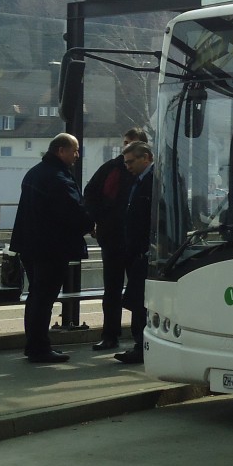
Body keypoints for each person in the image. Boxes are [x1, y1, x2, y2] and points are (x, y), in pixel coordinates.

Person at [9, 133, 92, 363]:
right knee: (44, 298)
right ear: (60, 150)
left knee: (35, 296)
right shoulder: (58, 178)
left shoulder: (35, 173)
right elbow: (73, 212)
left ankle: (33, 345)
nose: (77, 155)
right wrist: (91, 223)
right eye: (74, 150)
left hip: (30, 245)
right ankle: (39, 348)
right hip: (51, 248)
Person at [83, 127, 148, 351]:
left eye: (131, 143)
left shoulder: (145, 175)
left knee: (139, 291)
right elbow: (90, 193)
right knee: (112, 289)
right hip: (112, 238)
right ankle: (110, 334)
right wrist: (101, 219)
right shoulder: (111, 168)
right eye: (125, 142)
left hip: (135, 241)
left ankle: (140, 337)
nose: (125, 148)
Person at [116, 141, 154, 364]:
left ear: (146, 158)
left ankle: (141, 347)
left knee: (140, 302)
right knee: (137, 300)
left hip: (145, 253)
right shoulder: (139, 181)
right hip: (137, 252)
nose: (127, 166)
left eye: (131, 162)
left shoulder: (153, 182)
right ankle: (139, 345)